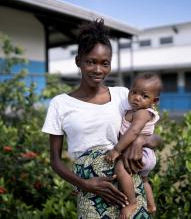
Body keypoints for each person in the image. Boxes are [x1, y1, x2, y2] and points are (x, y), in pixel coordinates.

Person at [42, 18, 161, 219]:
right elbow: (55, 160)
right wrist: (84, 184)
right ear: (78, 61)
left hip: (128, 186)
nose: (98, 70)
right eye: (91, 62)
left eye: (104, 63)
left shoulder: (124, 96)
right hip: (91, 189)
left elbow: (156, 138)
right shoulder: (60, 104)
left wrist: (140, 142)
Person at [105, 74, 162, 218]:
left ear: (154, 101)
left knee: (119, 167)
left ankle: (131, 203)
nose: (136, 97)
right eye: (134, 92)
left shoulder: (143, 113)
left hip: (142, 153)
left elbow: (134, 131)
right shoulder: (131, 111)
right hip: (144, 154)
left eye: (144, 96)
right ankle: (151, 205)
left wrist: (117, 149)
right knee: (144, 180)